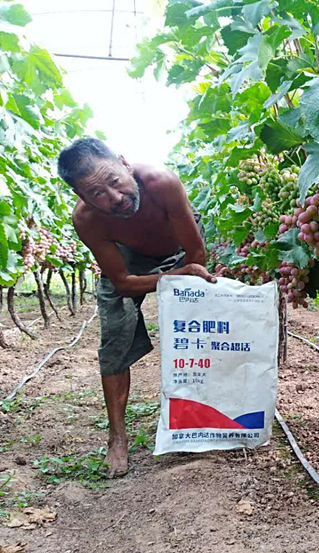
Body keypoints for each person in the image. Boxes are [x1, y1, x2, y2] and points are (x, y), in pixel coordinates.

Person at [57, 138, 216, 476]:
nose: (114, 199)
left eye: (114, 182)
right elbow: (122, 282)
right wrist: (176, 277)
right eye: (97, 194)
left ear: (125, 164)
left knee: (202, 330)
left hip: (179, 247)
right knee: (114, 338)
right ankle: (117, 437)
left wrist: (187, 278)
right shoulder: (87, 221)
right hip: (128, 261)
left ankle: (200, 416)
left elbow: (195, 257)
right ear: (82, 198)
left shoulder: (162, 183)